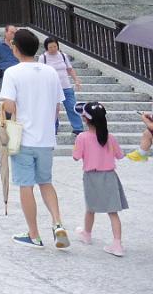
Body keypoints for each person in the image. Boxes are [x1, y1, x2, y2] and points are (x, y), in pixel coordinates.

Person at [0, 28, 70, 250]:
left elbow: (9, 105)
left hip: (23, 138)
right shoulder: (50, 72)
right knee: (46, 183)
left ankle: (34, 234)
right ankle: (57, 223)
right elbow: (58, 105)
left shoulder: (13, 72)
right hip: (46, 138)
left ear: (16, 48)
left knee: (26, 186)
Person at [72, 102, 128, 256]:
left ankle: (87, 234)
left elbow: (76, 157)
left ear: (85, 119)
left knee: (90, 208)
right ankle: (117, 244)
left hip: (91, 176)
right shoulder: (110, 137)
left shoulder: (82, 137)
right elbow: (120, 155)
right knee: (113, 212)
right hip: (109, 176)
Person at [39, 38, 83, 135]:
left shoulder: (63, 56)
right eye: (50, 47)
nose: (53, 49)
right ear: (46, 48)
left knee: (72, 107)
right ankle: (53, 128)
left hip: (66, 86)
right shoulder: (43, 58)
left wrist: (76, 80)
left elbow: (69, 69)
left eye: (55, 46)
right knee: (53, 109)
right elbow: (40, 73)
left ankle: (78, 128)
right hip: (51, 88)